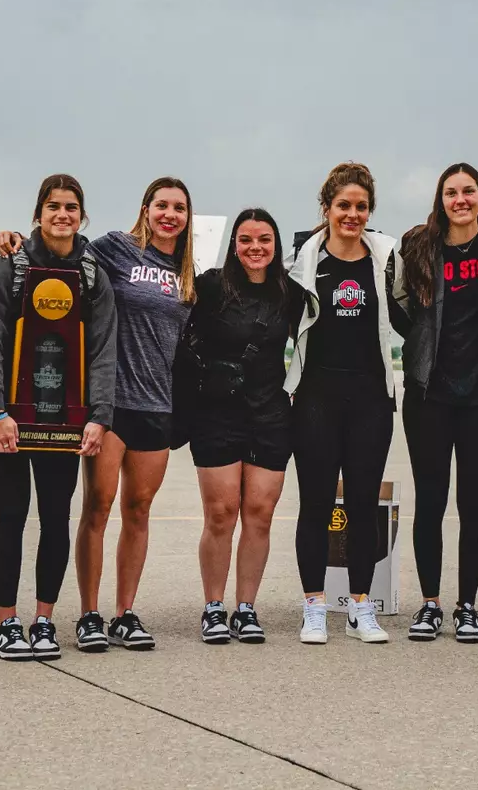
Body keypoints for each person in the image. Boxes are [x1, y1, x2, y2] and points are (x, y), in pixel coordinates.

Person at [0, 175, 116, 662]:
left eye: (72, 207)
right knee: (11, 515)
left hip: (67, 417)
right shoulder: (9, 267)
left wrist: (100, 416)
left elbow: (102, 349)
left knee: (56, 518)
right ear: (38, 213)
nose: (63, 214)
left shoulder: (94, 274)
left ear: (83, 216)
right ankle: (6, 623)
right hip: (9, 415)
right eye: (53, 206)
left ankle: (44, 621)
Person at [396, 163, 478, 643]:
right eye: (451, 192)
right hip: (430, 392)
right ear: (441, 199)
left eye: (468, 191)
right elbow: (401, 305)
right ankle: (429, 604)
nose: (460, 200)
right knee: (430, 501)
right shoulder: (419, 245)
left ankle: (467, 605)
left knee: (474, 503)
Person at [287, 162, 410, 645]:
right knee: (315, 505)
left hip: (370, 401)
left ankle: (362, 605)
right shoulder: (304, 262)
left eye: (361, 207)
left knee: (361, 505)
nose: (352, 215)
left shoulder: (385, 258)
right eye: (343, 206)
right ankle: (314, 606)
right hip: (315, 397)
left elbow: (412, 313)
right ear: (326, 209)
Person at [71, 178, 196, 652]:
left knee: (138, 511)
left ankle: (125, 613)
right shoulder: (116, 249)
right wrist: (17, 243)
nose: (170, 214)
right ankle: (89, 614)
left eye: (179, 208)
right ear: (145, 210)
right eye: (161, 205)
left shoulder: (186, 273)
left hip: (156, 405)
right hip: (110, 403)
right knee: (98, 506)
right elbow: (66, 256)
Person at [185, 209, 292, 644]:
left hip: (269, 414)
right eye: (246, 239)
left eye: (264, 239)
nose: (255, 248)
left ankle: (246, 608)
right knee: (221, 514)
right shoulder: (211, 287)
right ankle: (214, 606)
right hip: (217, 413)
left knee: (260, 515)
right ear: (234, 245)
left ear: (276, 244)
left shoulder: (291, 292)